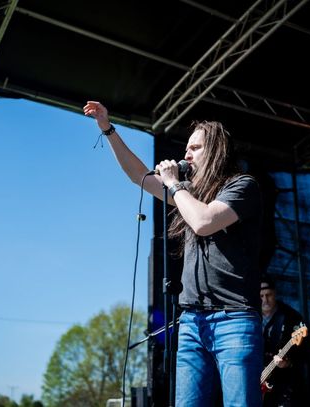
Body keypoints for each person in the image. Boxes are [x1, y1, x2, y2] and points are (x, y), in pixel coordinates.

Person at [83, 101, 263, 407]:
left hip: (234, 319)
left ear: (216, 151)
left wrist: (174, 184)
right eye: (186, 148)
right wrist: (107, 128)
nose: (186, 155)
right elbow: (138, 175)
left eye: (195, 148)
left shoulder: (242, 186)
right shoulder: (186, 193)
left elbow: (204, 222)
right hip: (192, 321)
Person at [260, 276, 305, 407]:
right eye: (261, 296)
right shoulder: (251, 316)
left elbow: (305, 352)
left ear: (275, 294)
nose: (265, 300)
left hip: (283, 384)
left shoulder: (292, 317)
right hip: (256, 378)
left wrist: (289, 362)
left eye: (268, 295)